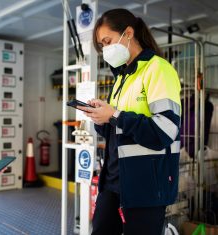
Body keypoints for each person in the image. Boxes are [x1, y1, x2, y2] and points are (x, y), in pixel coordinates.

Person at [78, 9, 181, 235]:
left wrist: (114, 115)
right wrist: (101, 118)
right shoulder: (122, 77)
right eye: (101, 46)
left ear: (128, 33)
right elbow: (119, 130)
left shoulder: (159, 69)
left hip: (146, 185)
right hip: (114, 179)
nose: (105, 50)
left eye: (107, 42)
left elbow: (165, 131)